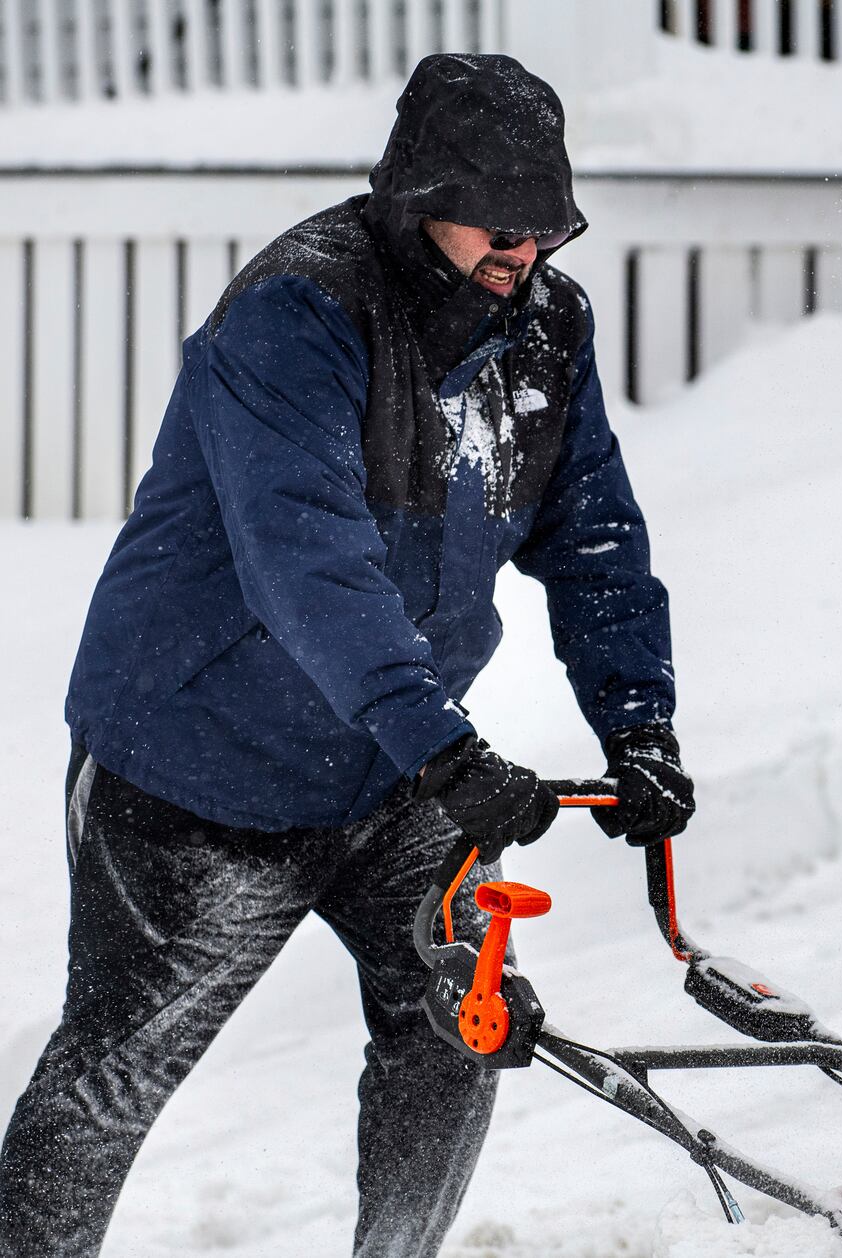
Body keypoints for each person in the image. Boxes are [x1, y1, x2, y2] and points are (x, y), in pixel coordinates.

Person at [0, 53, 694, 1258]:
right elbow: (305, 561)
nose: (523, 247)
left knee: (455, 1022)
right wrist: (442, 746)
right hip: (197, 765)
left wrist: (639, 723)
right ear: (422, 193)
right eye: (499, 216)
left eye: (546, 221)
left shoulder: (544, 325)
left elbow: (589, 533)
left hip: (393, 770)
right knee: (113, 1074)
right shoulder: (299, 312)